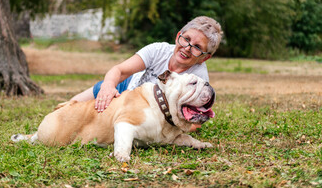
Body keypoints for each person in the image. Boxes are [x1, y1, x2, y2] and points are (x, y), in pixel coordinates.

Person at [70, 16, 223, 130]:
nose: (187, 48)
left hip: (149, 113)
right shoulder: (157, 50)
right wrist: (108, 86)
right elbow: (119, 70)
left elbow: (195, 121)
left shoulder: (198, 80)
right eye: (186, 39)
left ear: (205, 57)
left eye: (197, 47)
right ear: (178, 37)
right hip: (126, 87)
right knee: (71, 107)